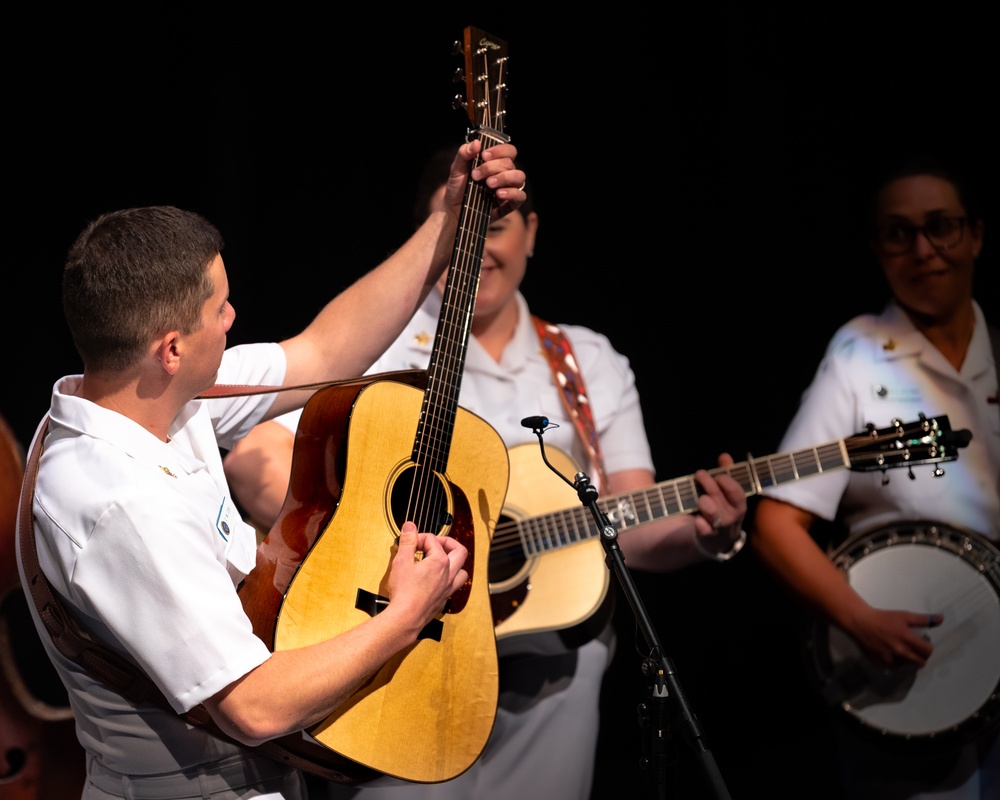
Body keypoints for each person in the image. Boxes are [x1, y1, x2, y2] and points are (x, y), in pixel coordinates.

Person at [222, 145, 750, 800]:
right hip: (404, 660)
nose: (479, 251)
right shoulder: (379, 343)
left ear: (532, 231)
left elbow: (625, 524)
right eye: (462, 232)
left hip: (551, 680)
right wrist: (362, 547)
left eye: (495, 226)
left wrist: (705, 533)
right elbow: (253, 459)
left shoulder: (586, 362)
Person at [16, 139, 528, 800]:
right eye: (220, 310)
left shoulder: (144, 393)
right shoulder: (120, 503)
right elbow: (253, 707)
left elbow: (320, 352)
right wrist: (406, 612)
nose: (233, 319)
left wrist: (449, 220)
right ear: (170, 348)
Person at [750, 155, 1000, 799]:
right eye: (899, 232)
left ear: (975, 234)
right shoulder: (859, 352)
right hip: (911, 675)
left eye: (941, 226)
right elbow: (777, 522)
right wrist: (860, 620)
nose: (924, 249)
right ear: (877, 248)